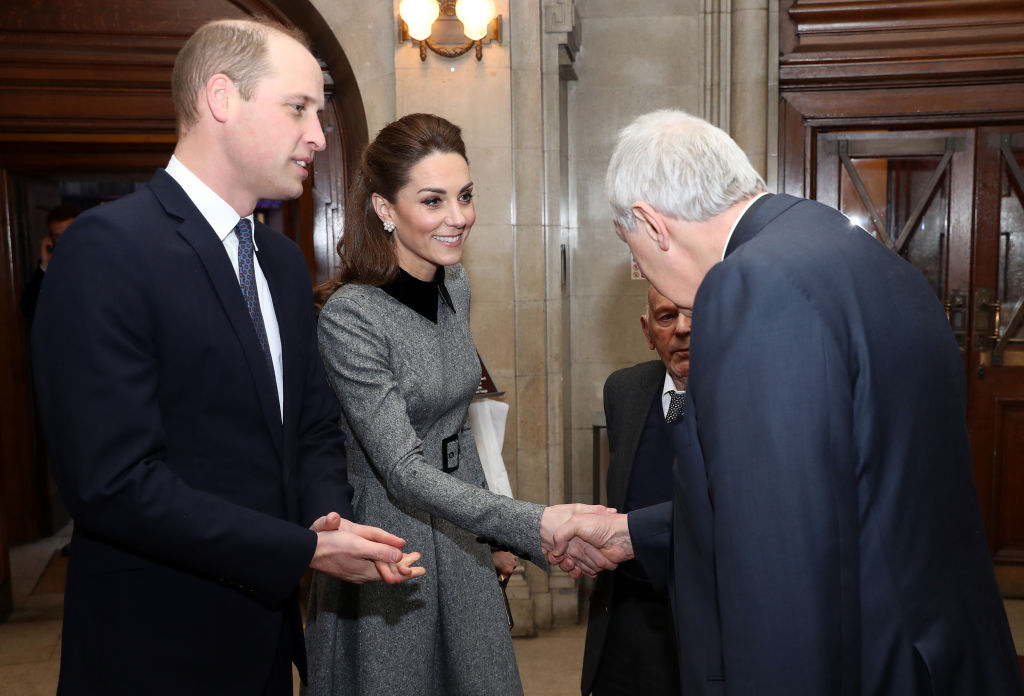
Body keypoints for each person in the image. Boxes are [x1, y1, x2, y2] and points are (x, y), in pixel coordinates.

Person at [549, 109, 1024, 695]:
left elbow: (783, 568)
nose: (643, 270)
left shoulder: (753, 285)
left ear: (651, 223)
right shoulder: (860, 254)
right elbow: (827, 486)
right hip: (937, 650)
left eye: (633, 252)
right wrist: (631, 534)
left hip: (862, 662)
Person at [31, 19, 423, 696]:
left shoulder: (276, 259)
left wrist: (326, 516)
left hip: (264, 642)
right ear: (221, 98)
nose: (318, 137)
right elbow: (113, 483)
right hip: (153, 651)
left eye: (319, 114)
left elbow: (310, 427)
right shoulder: (107, 249)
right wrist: (300, 551)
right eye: (297, 108)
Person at [304, 112, 609, 696]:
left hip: (460, 533)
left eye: (465, 197)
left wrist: (491, 533)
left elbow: (456, 429)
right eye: (434, 200)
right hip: (390, 546)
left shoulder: (455, 284)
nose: (458, 218)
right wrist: (528, 524)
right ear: (385, 208)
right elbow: (400, 469)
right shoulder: (351, 317)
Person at [581, 283, 687, 696]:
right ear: (647, 332)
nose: (682, 329)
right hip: (622, 614)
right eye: (666, 316)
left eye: (695, 315)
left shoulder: (745, 399)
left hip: (695, 618)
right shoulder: (624, 391)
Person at [21, 203, 79, 322]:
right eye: (58, 236)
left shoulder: (97, 260)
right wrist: (45, 265)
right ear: (51, 238)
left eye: (69, 233)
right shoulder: (49, 267)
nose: (65, 241)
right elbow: (28, 309)